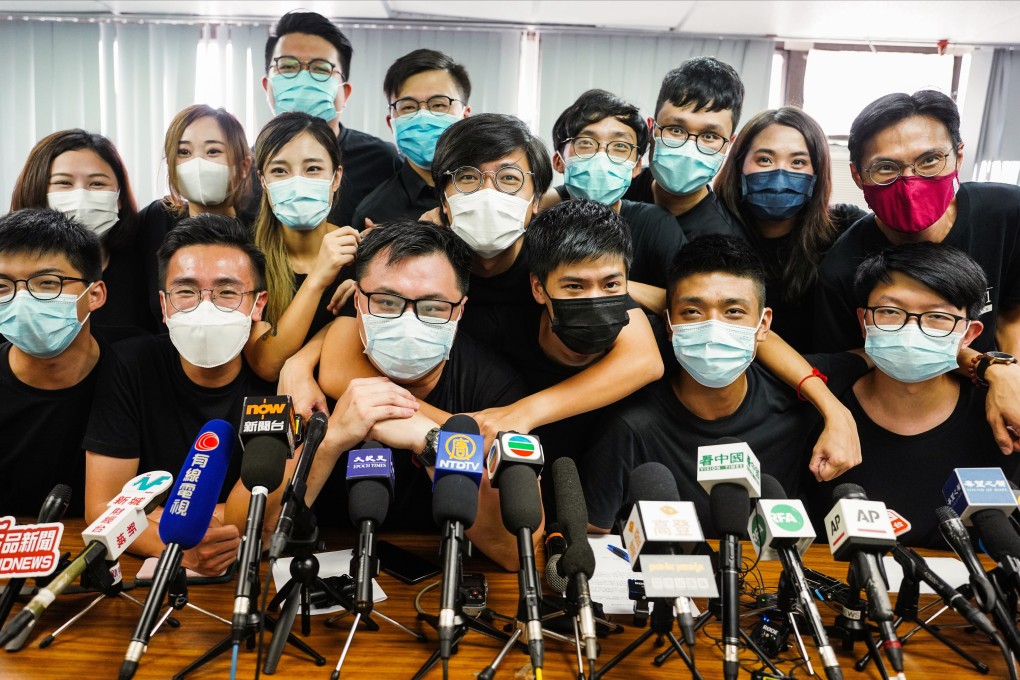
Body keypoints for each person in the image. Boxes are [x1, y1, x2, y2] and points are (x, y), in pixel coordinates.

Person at [581, 235, 870, 533]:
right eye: (693, 312)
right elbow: (593, 538)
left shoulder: (796, 392)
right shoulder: (629, 429)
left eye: (733, 312)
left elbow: (880, 353)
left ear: (764, 325)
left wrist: (836, 412)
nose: (714, 328)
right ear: (669, 325)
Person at [306, 219, 533, 570]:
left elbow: (517, 551)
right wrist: (332, 440)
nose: (407, 321)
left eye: (433, 307)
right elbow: (255, 528)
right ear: (358, 301)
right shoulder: (320, 376)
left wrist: (429, 441)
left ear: (459, 310)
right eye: (386, 302)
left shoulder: (495, 391)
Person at [429, 114, 664, 441]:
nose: (487, 193)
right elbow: (344, 362)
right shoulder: (423, 263)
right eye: (467, 178)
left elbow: (643, 359)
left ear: (536, 199)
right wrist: (454, 430)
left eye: (509, 179)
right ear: (443, 197)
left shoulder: (555, 257)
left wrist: (525, 412)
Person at [83, 215, 274, 575]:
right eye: (185, 291)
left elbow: (261, 517)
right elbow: (102, 508)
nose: (206, 306)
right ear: (164, 304)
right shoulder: (132, 364)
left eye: (227, 292)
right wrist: (177, 549)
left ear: (258, 303)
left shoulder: (277, 380)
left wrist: (159, 514)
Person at [808, 243, 1019, 548]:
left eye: (937, 317)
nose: (911, 330)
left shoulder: (1003, 419)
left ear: (970, 334)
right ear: (864, 322)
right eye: (890, 312)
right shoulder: (818, 410)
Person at [473, 199, 652, 520]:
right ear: (539, 289)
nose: (595, 300)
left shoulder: (637, 339)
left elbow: (648, 361)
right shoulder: (497, 338)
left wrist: (525, 412)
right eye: (574, 287)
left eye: (610, 285)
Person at [814, 89, 1020, 358]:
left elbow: (1013, 313)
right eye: (886, 167)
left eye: (929, 161)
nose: (910, 182)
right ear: (857, 176)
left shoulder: (1007, 214)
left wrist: (1010, 375)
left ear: (958, 158)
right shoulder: (841, 270)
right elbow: (849, 363)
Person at [0, 209, 107, 517]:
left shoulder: (134, 369)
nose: (22, 301)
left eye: (47, 283)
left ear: (95, 294)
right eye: (3, 287)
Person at [543, 88, 685, 311]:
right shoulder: (542, 224)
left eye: (620, 146)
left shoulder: (655, 224)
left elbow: (688, 299)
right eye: (586, 143)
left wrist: (612, 288)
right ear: (559, 160)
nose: (602, 156)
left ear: (636, 166)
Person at [10, 129, 155, 342]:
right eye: (64, 183)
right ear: (36, 190)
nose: (81, 196)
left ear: (119, 197)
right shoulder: (9, 274)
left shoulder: (144, 263)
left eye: (97, 183)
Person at [715, 107, 841, 352]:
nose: (780, 176)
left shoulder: (843, 230)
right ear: (739, 165)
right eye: (764, 160)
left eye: (798, 162)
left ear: (817, 172)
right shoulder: (710, 228)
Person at [261, 10, 401, 227]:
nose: (303, 78)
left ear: (345, 93)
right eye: (287, 66)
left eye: (321, 69)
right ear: (266, 86)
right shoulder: (249, 167)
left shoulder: (383, 161)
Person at [249, 111, 360, 380]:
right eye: (279, 171)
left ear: (335, 178)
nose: (297, 183)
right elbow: (267, 365)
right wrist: (317, 278)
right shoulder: (246, 259)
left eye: (313, 169)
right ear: (263, 181)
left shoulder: (362, 253)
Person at [137, 104, 254, 324]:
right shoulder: (155, 220)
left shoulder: (260, 231)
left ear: (244, 165)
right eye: (184, 152)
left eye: (213, 151)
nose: (197, 163)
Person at [622, 57, 744, 241]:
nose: (689, 148)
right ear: (651, 128)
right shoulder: (619, 189)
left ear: (729, 143)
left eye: (709, 136)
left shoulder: (725, 240)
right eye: (676, 130)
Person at [352, 49, 471, 232]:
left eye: (438, 104)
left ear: (465, 116)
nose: (422, 117)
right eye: (408, 107)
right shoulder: (375, 213)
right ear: (392, 124)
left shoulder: (489, 192)